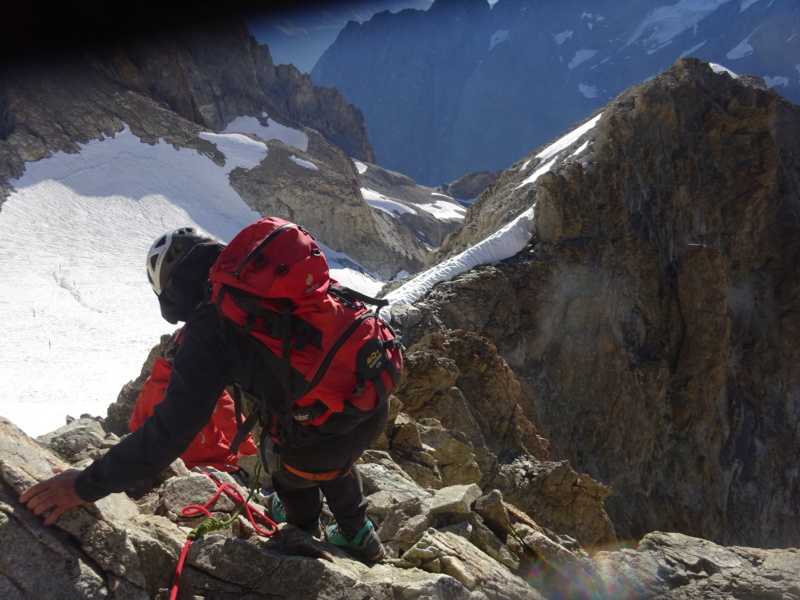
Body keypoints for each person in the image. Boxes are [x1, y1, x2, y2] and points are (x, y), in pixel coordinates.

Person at [21, 225, 387, 561]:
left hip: (322, 439)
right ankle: (358, 531)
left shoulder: (210, 330)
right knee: (328, 447)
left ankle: (303, 531)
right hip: (369, 395)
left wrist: (83, 486)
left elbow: (170, 432)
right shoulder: (271, 283)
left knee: (284, 464)